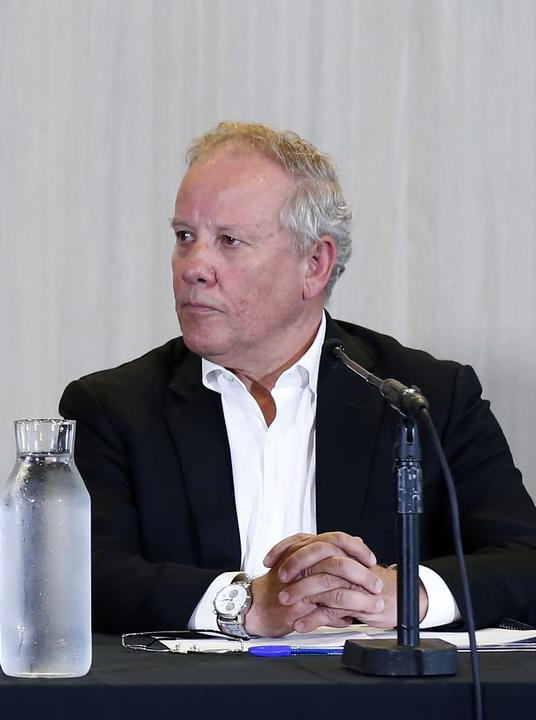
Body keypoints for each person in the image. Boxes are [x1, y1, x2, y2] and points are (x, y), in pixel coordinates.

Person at [60, 121, 536, 637]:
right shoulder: (112, 408)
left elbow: (524, 560)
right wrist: (242, 603)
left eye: (230, 241)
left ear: (315, 264)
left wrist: (402, 595)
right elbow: (78, 577)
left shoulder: (425, 399)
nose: (194, 267)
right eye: (185, 237)